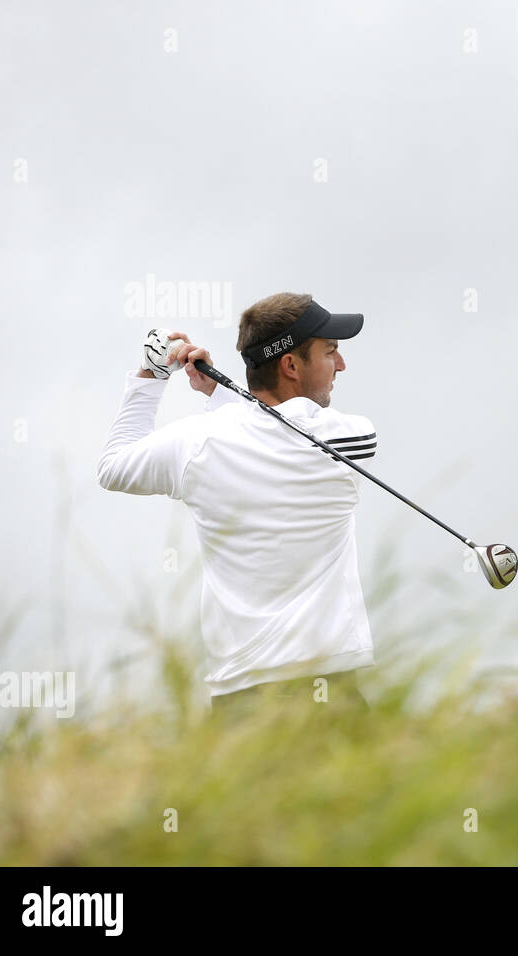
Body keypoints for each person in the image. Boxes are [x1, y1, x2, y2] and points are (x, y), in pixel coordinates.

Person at [97, 292, 378, 723]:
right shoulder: (349, 438)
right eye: (331, 352)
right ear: (290, 365)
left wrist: (153, 374)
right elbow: (285, 425)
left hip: (240, 700)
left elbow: (113, 466)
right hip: (332, 688)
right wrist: (223, 396)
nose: (340, 365)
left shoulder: (196, 442)